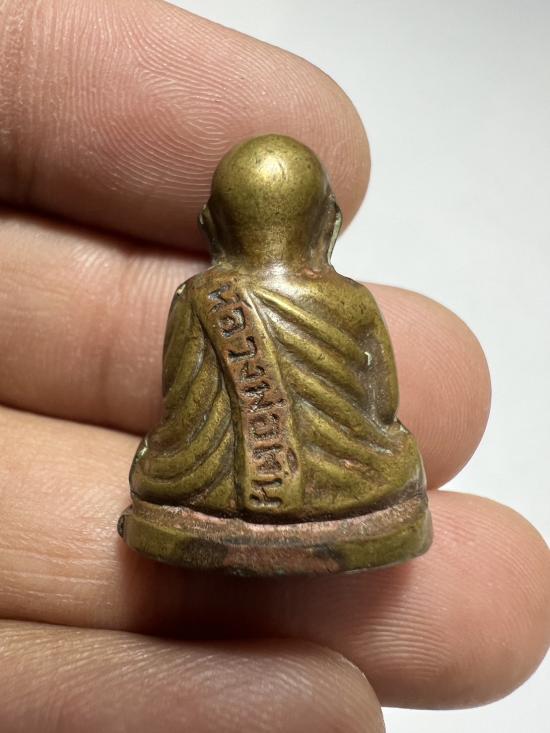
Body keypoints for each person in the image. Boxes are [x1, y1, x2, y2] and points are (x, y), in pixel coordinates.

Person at [0, 1, 548, 731]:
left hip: (206, 493)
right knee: (397, 455)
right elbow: (379, 406)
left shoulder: (198, 297)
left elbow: (183, 419)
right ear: (327, 224)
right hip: (349, 490)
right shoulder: (348, 300)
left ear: (212, 228)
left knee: (158, 466)